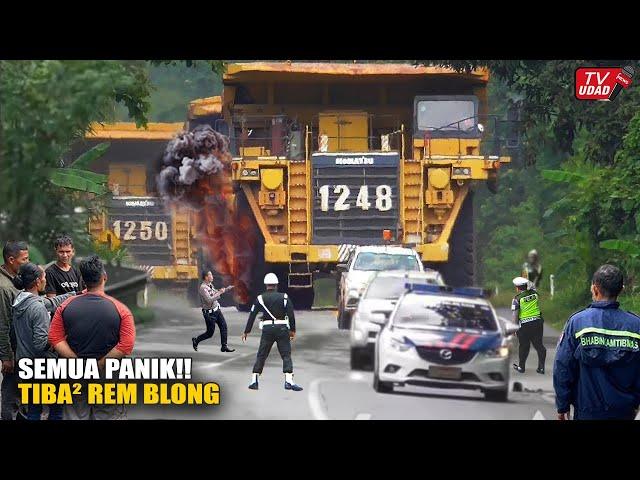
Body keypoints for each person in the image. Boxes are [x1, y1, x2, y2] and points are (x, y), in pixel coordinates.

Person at [48, 254, 135, 420]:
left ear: (82, 280)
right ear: (104, 278)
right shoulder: (121, 309)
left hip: (75, 372)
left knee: (74, 413)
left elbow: (55, 338)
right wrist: (100, 363)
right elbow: (126, 345)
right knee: (105, 414)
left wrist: (76, 360)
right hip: (106, 373)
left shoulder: (65, 306)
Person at [554, 264, 640, 420]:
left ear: (594, 289)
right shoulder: (636, 326)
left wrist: (563, 405)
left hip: (587, 412)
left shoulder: (577, 323)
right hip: (624, 412)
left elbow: (563, 366)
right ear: (621, 289)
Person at [11, 263, 73, 420]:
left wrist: (75, 293)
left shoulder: (21, 300)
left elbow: (50, 303)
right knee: (56, 409)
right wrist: (60, 340)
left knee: (33, 408)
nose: (46, 280)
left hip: (26, 366)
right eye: (44, 277)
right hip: (43, 367)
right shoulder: (37, 308)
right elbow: (40, 344)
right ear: (38, 281)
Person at [242, 273, 302, 391]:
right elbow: (291, 315)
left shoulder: (260, 298)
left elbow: (252, 315)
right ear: (276, 285)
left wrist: (246, 331)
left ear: (266, 285)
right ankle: (289, 381)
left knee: (262, 354)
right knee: (286, 355)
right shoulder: (284, 297)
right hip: (282, 329)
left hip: (267, 329)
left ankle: (254, 380)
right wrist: (293, 330)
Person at [0, 240, 30, 420]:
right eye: (24, 259)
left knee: (23, 397)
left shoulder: (16, 280)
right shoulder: (3, 287)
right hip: (13, 351)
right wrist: (6, 357)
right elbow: (2, 324)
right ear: (11, 260)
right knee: (11, 399)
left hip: (22, 348)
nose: (28, 262)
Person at [192, 271, 235, 353]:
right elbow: (209, 300)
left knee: (224, 327)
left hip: (216, 310)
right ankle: (196, 340)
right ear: (206, 277)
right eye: (210, 275)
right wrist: (220, 292)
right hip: (210, 314)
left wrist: (226, 289)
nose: (212, 276)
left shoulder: (210, 285)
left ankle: (224, 346)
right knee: (209, 333)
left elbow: (215, 292)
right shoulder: (203, 288)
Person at [511, 276, 546, 374]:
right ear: (527, 285)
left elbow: (515, 315)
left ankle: (521, 367)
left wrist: (513, 328)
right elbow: (533, 285)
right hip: (537, 322)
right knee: (539, 345)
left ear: (517, 288)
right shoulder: (535, 294)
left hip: (524, 326)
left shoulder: (517, 299)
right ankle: (541, 368)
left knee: (524, 346)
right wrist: (527, 282)